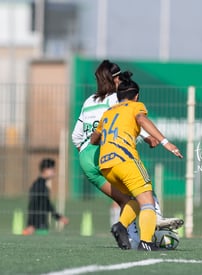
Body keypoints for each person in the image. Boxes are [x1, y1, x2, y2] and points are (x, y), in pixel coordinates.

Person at [71, 60, 184, 244]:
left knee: (126, 200)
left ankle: (130, 239)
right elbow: (128, 120)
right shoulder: (118, 99)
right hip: (108, 152)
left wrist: (88, 152)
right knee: (141, 191)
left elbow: (76, 136)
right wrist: (148, 137)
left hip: (86, 157)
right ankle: (155, 218)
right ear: (114, 79)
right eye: (118, 77)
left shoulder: (89, 101)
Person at [22, 158, 69, 235]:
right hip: (37, 227)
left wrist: (59, 217)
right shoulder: (38, 186)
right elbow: (32, 205)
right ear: (45, 170)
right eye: (52, 169)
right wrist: (31, 224)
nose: (54, 172)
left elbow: (47, 205)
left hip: (42, 225)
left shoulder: (43, 186)